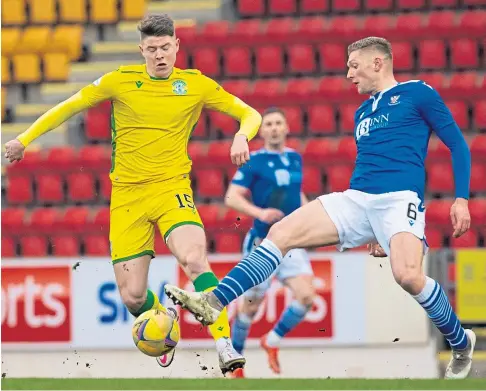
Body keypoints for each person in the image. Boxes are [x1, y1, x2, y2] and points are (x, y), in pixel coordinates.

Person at [164, 36, 476, 380]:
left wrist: (461, 198)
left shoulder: (419, 93)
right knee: (279, 232)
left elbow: (457, 144)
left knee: (408, 276)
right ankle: (215, 301)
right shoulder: (362, 112)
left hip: (400, 200)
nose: (348, 74)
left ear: (378, 62)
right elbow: (368, 165)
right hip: (357, 199)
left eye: (353, 65)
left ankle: (461, 343)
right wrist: (371, 226)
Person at [4, 13, 261, 374]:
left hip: (172, 189)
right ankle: (164, 317)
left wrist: (241, 135)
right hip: (127, 198)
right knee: (133, 297)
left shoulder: (195, 85)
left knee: (194, 258)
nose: (159, 55)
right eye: (152, 48)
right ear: (142, 49)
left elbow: (250, 114)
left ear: (177, 46)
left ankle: (224, 343)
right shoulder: (120, 81)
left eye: (166, 47)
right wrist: (24, 139)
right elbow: (69, 106)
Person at [224, 107, 315, 377]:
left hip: (292, 241)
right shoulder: (254, 160)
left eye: (278, 123)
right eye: (269, 124)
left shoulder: (295, 158)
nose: (274, 128)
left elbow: (297, 194)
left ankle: (271, 341)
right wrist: (260, 212)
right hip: (263, 243)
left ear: (287, 128)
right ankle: (235, 365)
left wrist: (311, 219)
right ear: (261, 131)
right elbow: (232, 197)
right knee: (250, 309)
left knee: (307, 296)